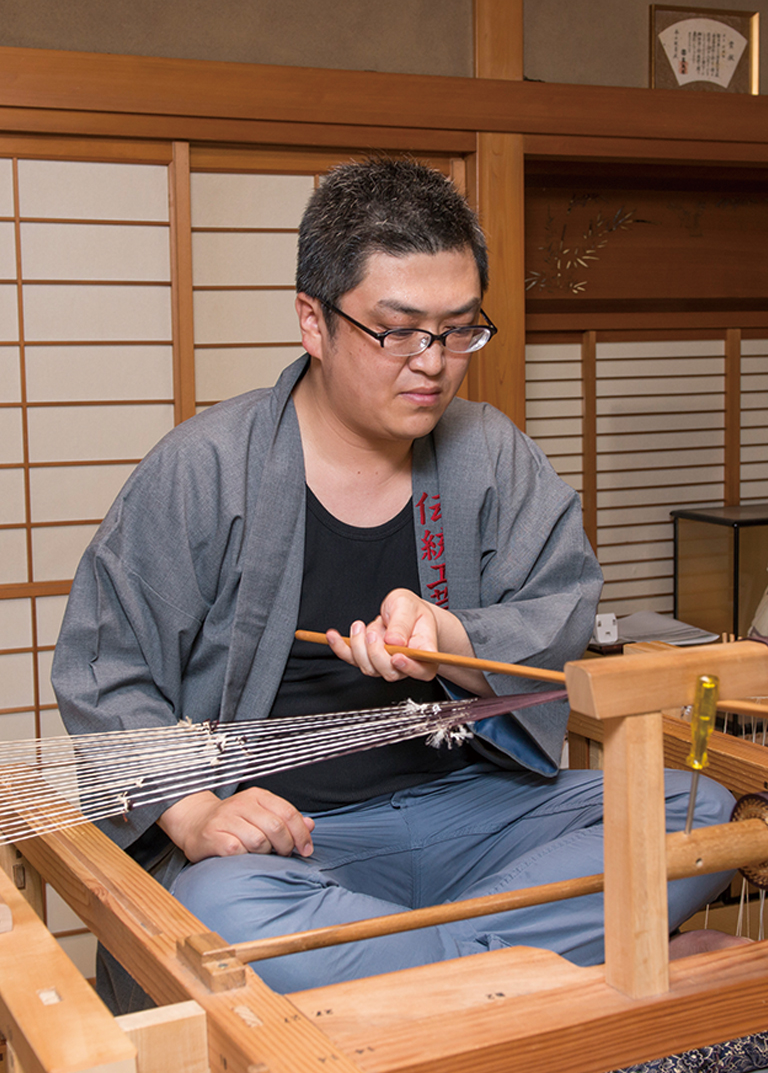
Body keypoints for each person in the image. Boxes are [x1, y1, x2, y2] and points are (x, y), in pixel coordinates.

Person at [52, 157, 734, 1012]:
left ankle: (409, 977)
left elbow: (562, 609)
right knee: (218, 909)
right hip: (298, 846)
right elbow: (105, 670)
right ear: (314, 320)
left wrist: (449, 639)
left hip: (476, 811)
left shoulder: (492, 456)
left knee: (698, 807)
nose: (434, 363)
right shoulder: (206, 470)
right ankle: (534, 975)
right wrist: (192, 815)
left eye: (458, 330)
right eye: (398, 330)